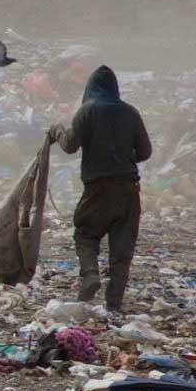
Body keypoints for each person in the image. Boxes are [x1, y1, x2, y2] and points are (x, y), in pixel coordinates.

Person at [49, 65, 152, 313]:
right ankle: (114, 303)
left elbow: (70, 146)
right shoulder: (130, 112)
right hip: (128, 188)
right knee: (122, 247)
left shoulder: (87, 111)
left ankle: (90, 275)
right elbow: (145, 152)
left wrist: (57, 131)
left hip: (97, 188)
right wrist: (121, 161)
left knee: (85, 233)